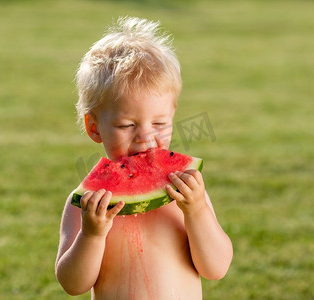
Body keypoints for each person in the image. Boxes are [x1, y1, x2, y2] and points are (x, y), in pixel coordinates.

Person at [55, 16, 233, 299]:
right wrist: (91, 235)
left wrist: (197, 211)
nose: (145, 138)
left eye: (159, 124)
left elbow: (216, 267)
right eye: (127, 126)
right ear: (93, 127)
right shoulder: (88, 205)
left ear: (173, 115)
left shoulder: (186, 192)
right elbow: (72, 284)